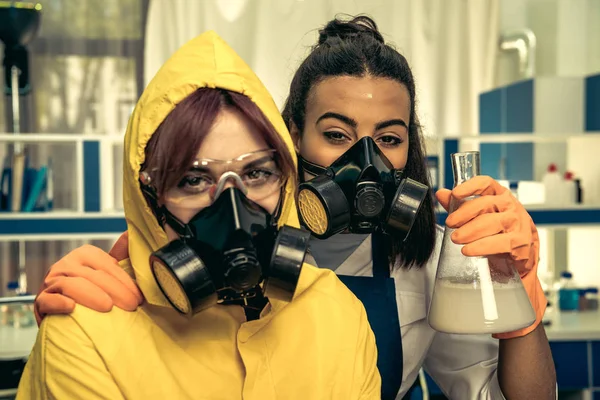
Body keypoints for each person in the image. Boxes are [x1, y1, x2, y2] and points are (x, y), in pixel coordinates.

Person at [32, 16, 557, 400]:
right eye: (335, 134)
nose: (366, 162)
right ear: (290, 140)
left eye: (389, 139)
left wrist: (519, 306)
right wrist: (96, 318)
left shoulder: (425, 258)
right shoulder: (187, 247)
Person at [16, 30, 381, 400]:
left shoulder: (337, 312)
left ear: (285, 181)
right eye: (192, 180)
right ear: (149, 199)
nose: (233, 212)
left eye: (257, 173)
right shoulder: (86, 332)